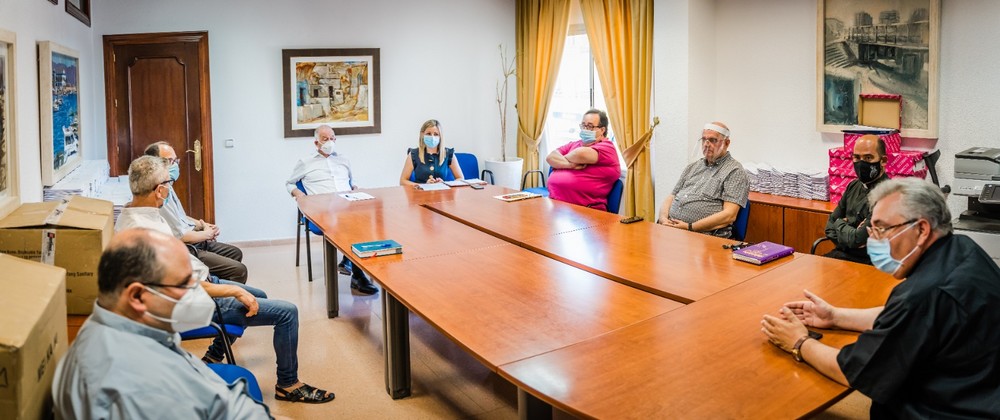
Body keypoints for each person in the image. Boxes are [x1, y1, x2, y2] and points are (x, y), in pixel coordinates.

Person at [761, 178, 1000, 418]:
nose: (873, 241)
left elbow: (854, 370)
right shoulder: (962, 250)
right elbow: (910, 320)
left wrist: (799, 342)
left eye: (882, 229)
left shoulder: (923, 294)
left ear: (921, 230)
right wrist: (835, 316)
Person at [117, 155, 335, 404]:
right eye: (168, 182)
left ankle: (213, 355)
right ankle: (288, 385)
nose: (170, 186)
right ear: (160, 190)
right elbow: (182, 285)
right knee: (287, 312)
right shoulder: (147, 231)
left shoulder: (135, 213)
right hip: (192, 299)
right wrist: (234, 292)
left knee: (260, 296)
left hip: (199, 283)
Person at [51, 227, 273, 418]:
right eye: (185, 284)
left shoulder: (120, 325)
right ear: (137, 296)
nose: (195, 292)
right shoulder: (141, 387)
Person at [286, 125, 378, 295]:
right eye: (325, 139)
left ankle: (351, 262)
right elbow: (290, 183)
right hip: (322, 209)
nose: (329, 142)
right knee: (350, 224)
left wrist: (356, 189)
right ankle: (357, 274)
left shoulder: (343, 160)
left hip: (347, 204)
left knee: (369, 219)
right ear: (316, 143)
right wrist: (298, 193)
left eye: (332, 138)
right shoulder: (305, 162)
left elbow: (352, 183)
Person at [144, 141, 248, 283]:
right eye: (169, 161)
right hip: (184, 247)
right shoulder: (158, 193)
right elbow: (180, 236)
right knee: (239, 270)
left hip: (192, 237)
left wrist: (201, 224)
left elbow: (180, 217)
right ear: (153, 164)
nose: (175, 165)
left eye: (175, 160)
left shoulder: (168, 184)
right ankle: (218, 292)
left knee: (235, 253)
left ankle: (215, 284)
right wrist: (206, 234)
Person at [657, 122, 749, 238]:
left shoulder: (735, 171)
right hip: (672, 230)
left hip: (703, 236)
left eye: (713, 140)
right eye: (704, 139)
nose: (706, 144)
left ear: (726, 143)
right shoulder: (692, 167)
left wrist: (690, 226)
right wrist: (663, 219)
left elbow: (729, 215)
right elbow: (672, 196)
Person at [823, 135, 889, 264]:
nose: (861, 163)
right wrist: (850, 234)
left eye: (868, 158)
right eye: (857, 158)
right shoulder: (853, 186)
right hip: (842, 254)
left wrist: (840, 223)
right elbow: (829, 228)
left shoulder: (888, 195)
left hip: (869, 263)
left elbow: (857, 239)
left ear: (883, 160)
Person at [545, 109, 621, 211]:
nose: (585, 129)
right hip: (556, 205)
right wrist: (570, 165)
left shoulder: (607, 147)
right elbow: (550, 157)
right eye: (583, 125)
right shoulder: (574, 144)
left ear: (602, 130)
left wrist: (561, 160)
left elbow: (580, 154)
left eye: (590, 126)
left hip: (586, 210)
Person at [399, 119, 464, 186]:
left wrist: (444, 184)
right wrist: (423, 186)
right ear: (422, 134)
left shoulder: (448, 154)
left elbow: (460, 178)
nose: (432, 137)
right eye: (428, 134)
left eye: (436, 134)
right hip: (420, 192)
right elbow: (403, 181)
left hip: (442, 192)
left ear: (440, 136)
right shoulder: (413, 154)